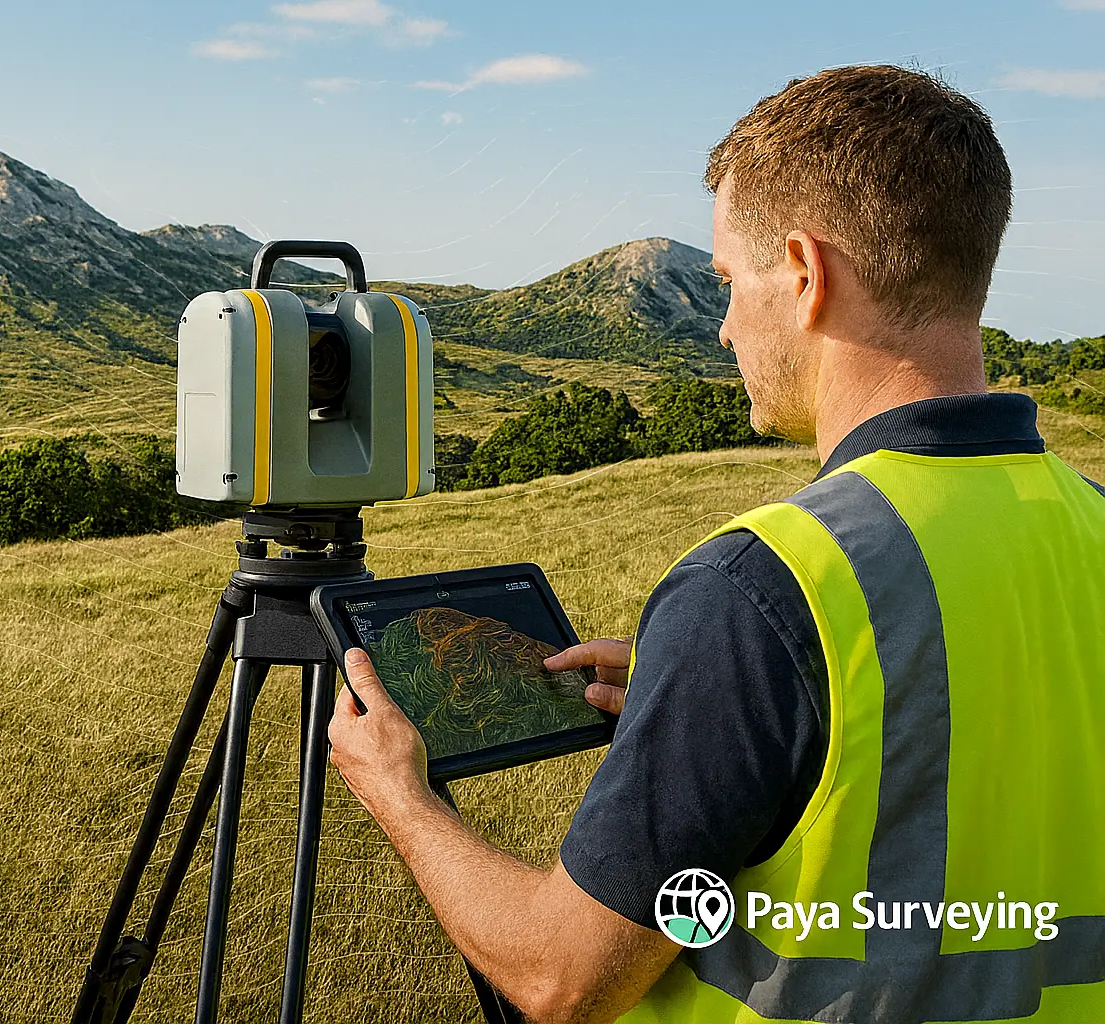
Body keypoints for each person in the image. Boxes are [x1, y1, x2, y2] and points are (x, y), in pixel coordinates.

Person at [327, 64, 1105, 1024]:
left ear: (808, 275)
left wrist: (400, 795)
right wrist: (727, 703)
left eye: (731, 283)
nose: (728, 327)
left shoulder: (764, 588)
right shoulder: (1092, 520)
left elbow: (562, 980)